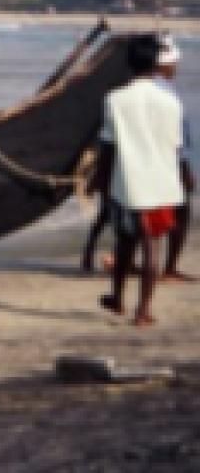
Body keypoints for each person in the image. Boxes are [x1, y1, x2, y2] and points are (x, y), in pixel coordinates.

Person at [95, 34, 185, 325]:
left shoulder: (115, 99)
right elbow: (175, 146)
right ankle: (142, 310)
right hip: (161, 182)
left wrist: (101, 183)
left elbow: (108, 147)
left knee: (124, 243)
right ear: (156, 65)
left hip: (127, 184)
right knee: (151, 246)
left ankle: (118, 298)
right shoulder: (170, 101)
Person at [154, 35, 196, 282]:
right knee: (180, 213)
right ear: (164, 64)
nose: (176, 67)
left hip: (154, 161)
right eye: (174, 63)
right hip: (170, 162)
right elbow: (175, 135)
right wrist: (185, 168)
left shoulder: (152, 86)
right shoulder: (165, 91)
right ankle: (168, 267)